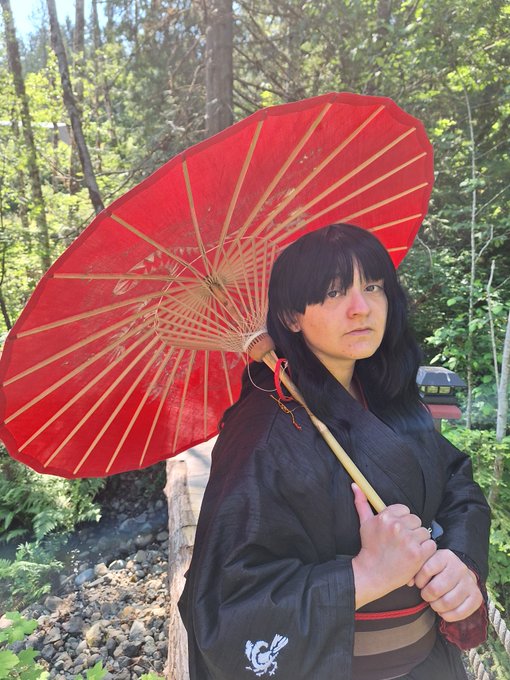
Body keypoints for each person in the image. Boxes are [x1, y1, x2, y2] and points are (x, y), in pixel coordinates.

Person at [179, 223, 490, 680]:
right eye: (333, 292)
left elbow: (455, 480)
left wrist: (459, 562)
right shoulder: (262, 436)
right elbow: (223, 607)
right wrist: (363, 577)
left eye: (373, 286)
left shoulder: (386, 395)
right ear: (291, 316)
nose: (361, 307)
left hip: (431, 664)